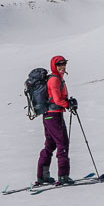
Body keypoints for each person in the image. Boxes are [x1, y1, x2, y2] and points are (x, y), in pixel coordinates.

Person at [36, 55, 78, 186]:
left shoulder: (57, 78)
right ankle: (63, 176)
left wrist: (67, 103)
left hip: (49, 116)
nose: (62, 66)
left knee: (50, 145)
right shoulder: (54, 80)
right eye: (59, 64)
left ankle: (43, 176)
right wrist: (69, 104)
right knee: (62, 144)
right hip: (54, 116)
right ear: (54, 66)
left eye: (64, 63)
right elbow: (57, 99)